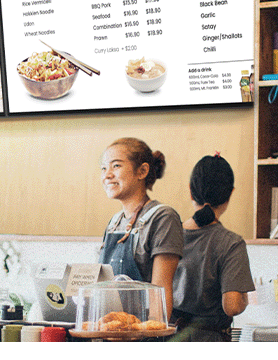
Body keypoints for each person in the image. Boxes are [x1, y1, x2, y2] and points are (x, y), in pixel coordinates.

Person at [170, 153, 255, 342]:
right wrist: (244, 299)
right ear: (230, 194)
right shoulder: (231, 243)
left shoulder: (169, 235)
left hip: (168, 338)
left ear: (191, 192)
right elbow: (232, 306)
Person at [98, 137, 183, 318]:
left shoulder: (163, 217)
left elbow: (160, 291)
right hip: (112, 329)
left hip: (142, 333)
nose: (107, 175)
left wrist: (150, 338)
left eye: (116, 166)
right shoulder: (114, 222)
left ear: (142, 171)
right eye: (103, 168)